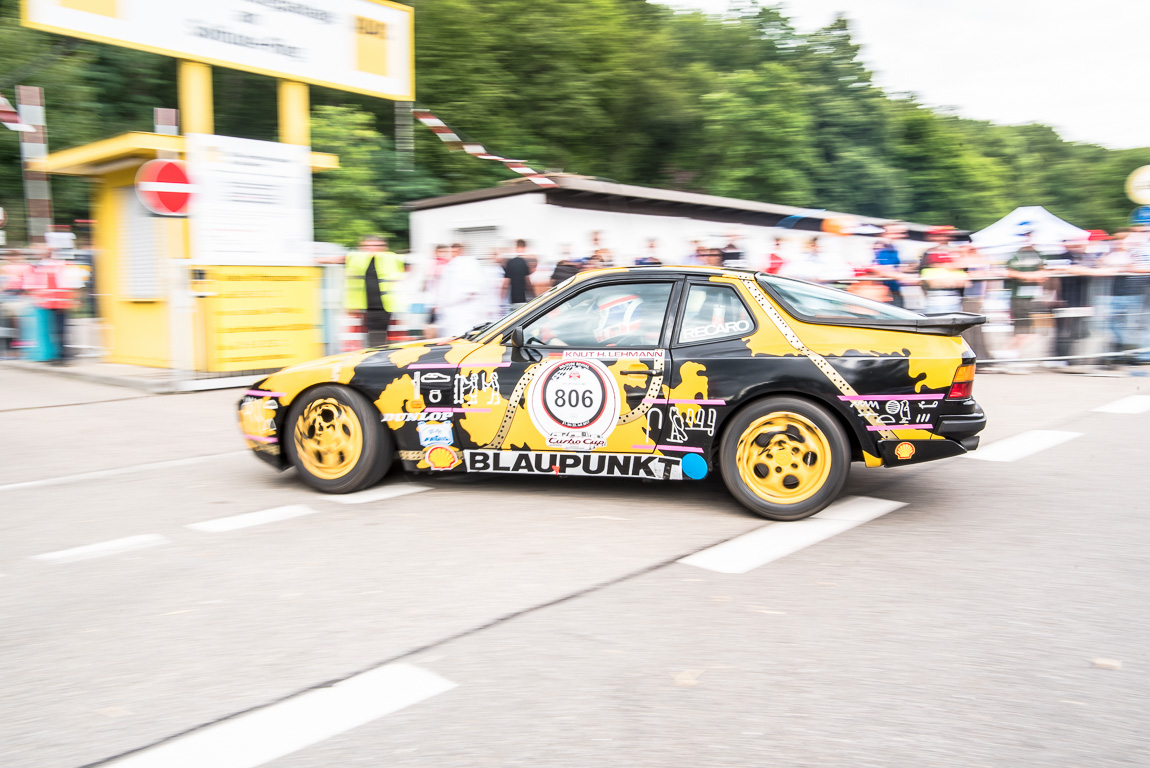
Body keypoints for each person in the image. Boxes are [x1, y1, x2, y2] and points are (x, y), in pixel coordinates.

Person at [345, 235, 404, 347]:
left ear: (384, 247)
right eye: (368, 246)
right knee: (367, 343)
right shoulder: (356, 259)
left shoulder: (391, 258)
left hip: (387, 307)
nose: (372, 249)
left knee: (390, 342)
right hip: (363, 308)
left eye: (377, 246)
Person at [435, 243, 487, 337]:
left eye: (456, 251)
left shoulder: (470, 264)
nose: (454, 253)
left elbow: (472, 290)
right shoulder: (451, 265)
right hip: (451, 314)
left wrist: (452, 301)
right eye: (452, 251)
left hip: (466, 314)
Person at [502, 239, 536, 311]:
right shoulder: (525, 263)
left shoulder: (510, 263)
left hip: (513, 300)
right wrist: (534, 296)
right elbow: (528, 283)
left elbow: (505, 284)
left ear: (516, 248)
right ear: (524, 248)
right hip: (523, 301)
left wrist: (502, 301)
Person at [871, 238, 905, 307]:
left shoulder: (889, 258)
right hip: (881, 293)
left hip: (893, 292)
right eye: (875, 249)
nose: (877, 251)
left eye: (879, 249)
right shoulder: (874, 262)